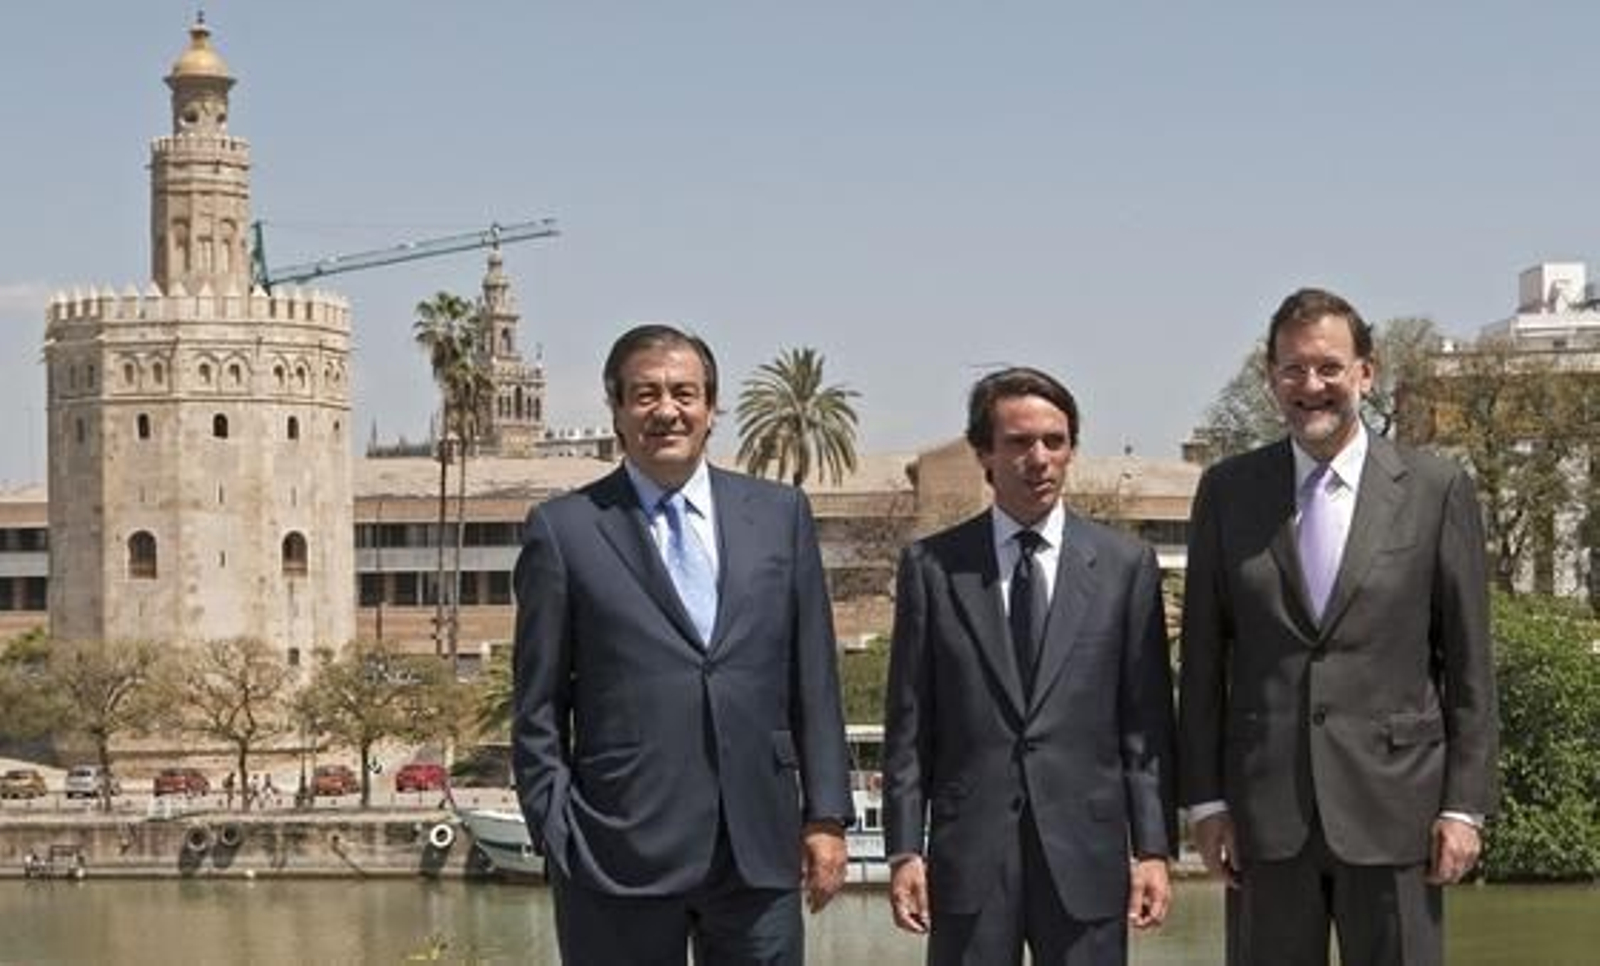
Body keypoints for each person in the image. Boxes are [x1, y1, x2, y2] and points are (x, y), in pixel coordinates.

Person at [512, 324, 854, 965]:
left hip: (757, 847)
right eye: (645, 394)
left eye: (684, 393)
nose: (666, 410)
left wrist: (826, 816)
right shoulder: (565, 531)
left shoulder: (781, 515)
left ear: (711, 408)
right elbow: (537, 705)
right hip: (616, 853)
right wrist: (557, 831)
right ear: (615, 408)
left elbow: (814, 680)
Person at [1178, 287, 1499, 966]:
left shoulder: (1437, 489)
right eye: (1292, 369)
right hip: (1266, 817)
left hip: (1400, 810)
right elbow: (1204, 661)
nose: (1311, 385)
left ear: (1365, 374)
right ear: (1271, 381)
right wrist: (1205, 802)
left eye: (1328, 367)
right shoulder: (1228, 491)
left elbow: (1469, 663)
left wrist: (1464, 807)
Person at [882, 367, 1177, 965]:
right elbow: (909, 726)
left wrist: (1152, 848)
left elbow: (1145, 724)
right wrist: (904, 849)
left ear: (1071, 450)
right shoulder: (932, 568)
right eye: (1018, 442)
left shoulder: (1126, 567)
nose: (1038, 458)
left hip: (1087, 852)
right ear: (984, 453)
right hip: (969, 855)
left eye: (1055, 441)